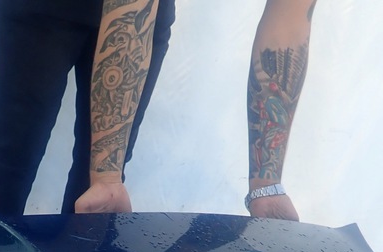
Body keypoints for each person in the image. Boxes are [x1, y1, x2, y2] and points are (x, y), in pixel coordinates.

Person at [0, 0, 175, 252]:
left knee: (100, 180)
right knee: (11, 155)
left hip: (141, 16)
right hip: (44, 10)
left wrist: (107, 177)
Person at [74, 0, 318, 220]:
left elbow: (289, 20)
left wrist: (266, 187)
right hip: (76, 14)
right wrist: (106, 177)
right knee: (99, 179)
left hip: (145, 18)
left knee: (96, 199)